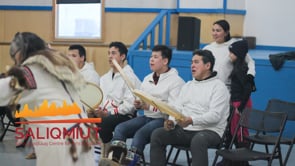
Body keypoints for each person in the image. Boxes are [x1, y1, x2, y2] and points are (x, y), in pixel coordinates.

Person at [0, 32, 95, 166]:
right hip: (84, 136)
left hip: (60, 140)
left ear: (22, 51)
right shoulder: (61, 68)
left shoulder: (29, 72)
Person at [150, 49, 230, 166]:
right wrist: (171, 121)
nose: (192, 65)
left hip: (211, 131)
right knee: (158, 134)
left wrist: (192, 120)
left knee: (199, 140)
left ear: (208, 65)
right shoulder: (188, 86)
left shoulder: (219, 87)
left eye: (196, 62)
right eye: (191, 62)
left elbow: (215, 116)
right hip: (186, 129)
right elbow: (177, 108)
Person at [109, 45, 185, 164]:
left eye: (155, 57)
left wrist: (149, 107)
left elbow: (173, 109)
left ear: (165, 61)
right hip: (146, 117)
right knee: (120, 128)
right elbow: (142, 101)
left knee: (140, 134)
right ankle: (114, 161)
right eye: (151, 57)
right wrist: (138, 104)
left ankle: (131, 163)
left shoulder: (176, 81)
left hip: (162, 120)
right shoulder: (147, 78)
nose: (151, 60)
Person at [95, 41, 141, 158]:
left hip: (124, 115)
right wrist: (98, 110)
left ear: (122, 56)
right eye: (109, 53)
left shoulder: (130, 77)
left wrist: (109, 112)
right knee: (85, 117)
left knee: (103, 122)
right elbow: (101, 99)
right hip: (106, 113)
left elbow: (129, 105)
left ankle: (109, 153)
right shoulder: (104, 78)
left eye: (114, 53)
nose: (110, 56)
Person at [217, 40, 253, 166]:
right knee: (233, 131)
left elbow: (248, 89)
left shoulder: (243, 69)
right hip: (235, 102)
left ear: (238, 54)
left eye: (232, 53)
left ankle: (243, 161)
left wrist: (241, 107)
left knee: (241, 132)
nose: (229, 56)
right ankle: (233, 159)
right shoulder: (236, 67)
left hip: (241, 104)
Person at [203, 19, 256, 90]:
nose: (214, 33)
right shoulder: (207, 48)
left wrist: (250, 75)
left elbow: (250, 61)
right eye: (213, 30)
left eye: (218, 31)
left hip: (228, 89)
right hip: (209, 87)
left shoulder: (234, 46)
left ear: (226, 32)